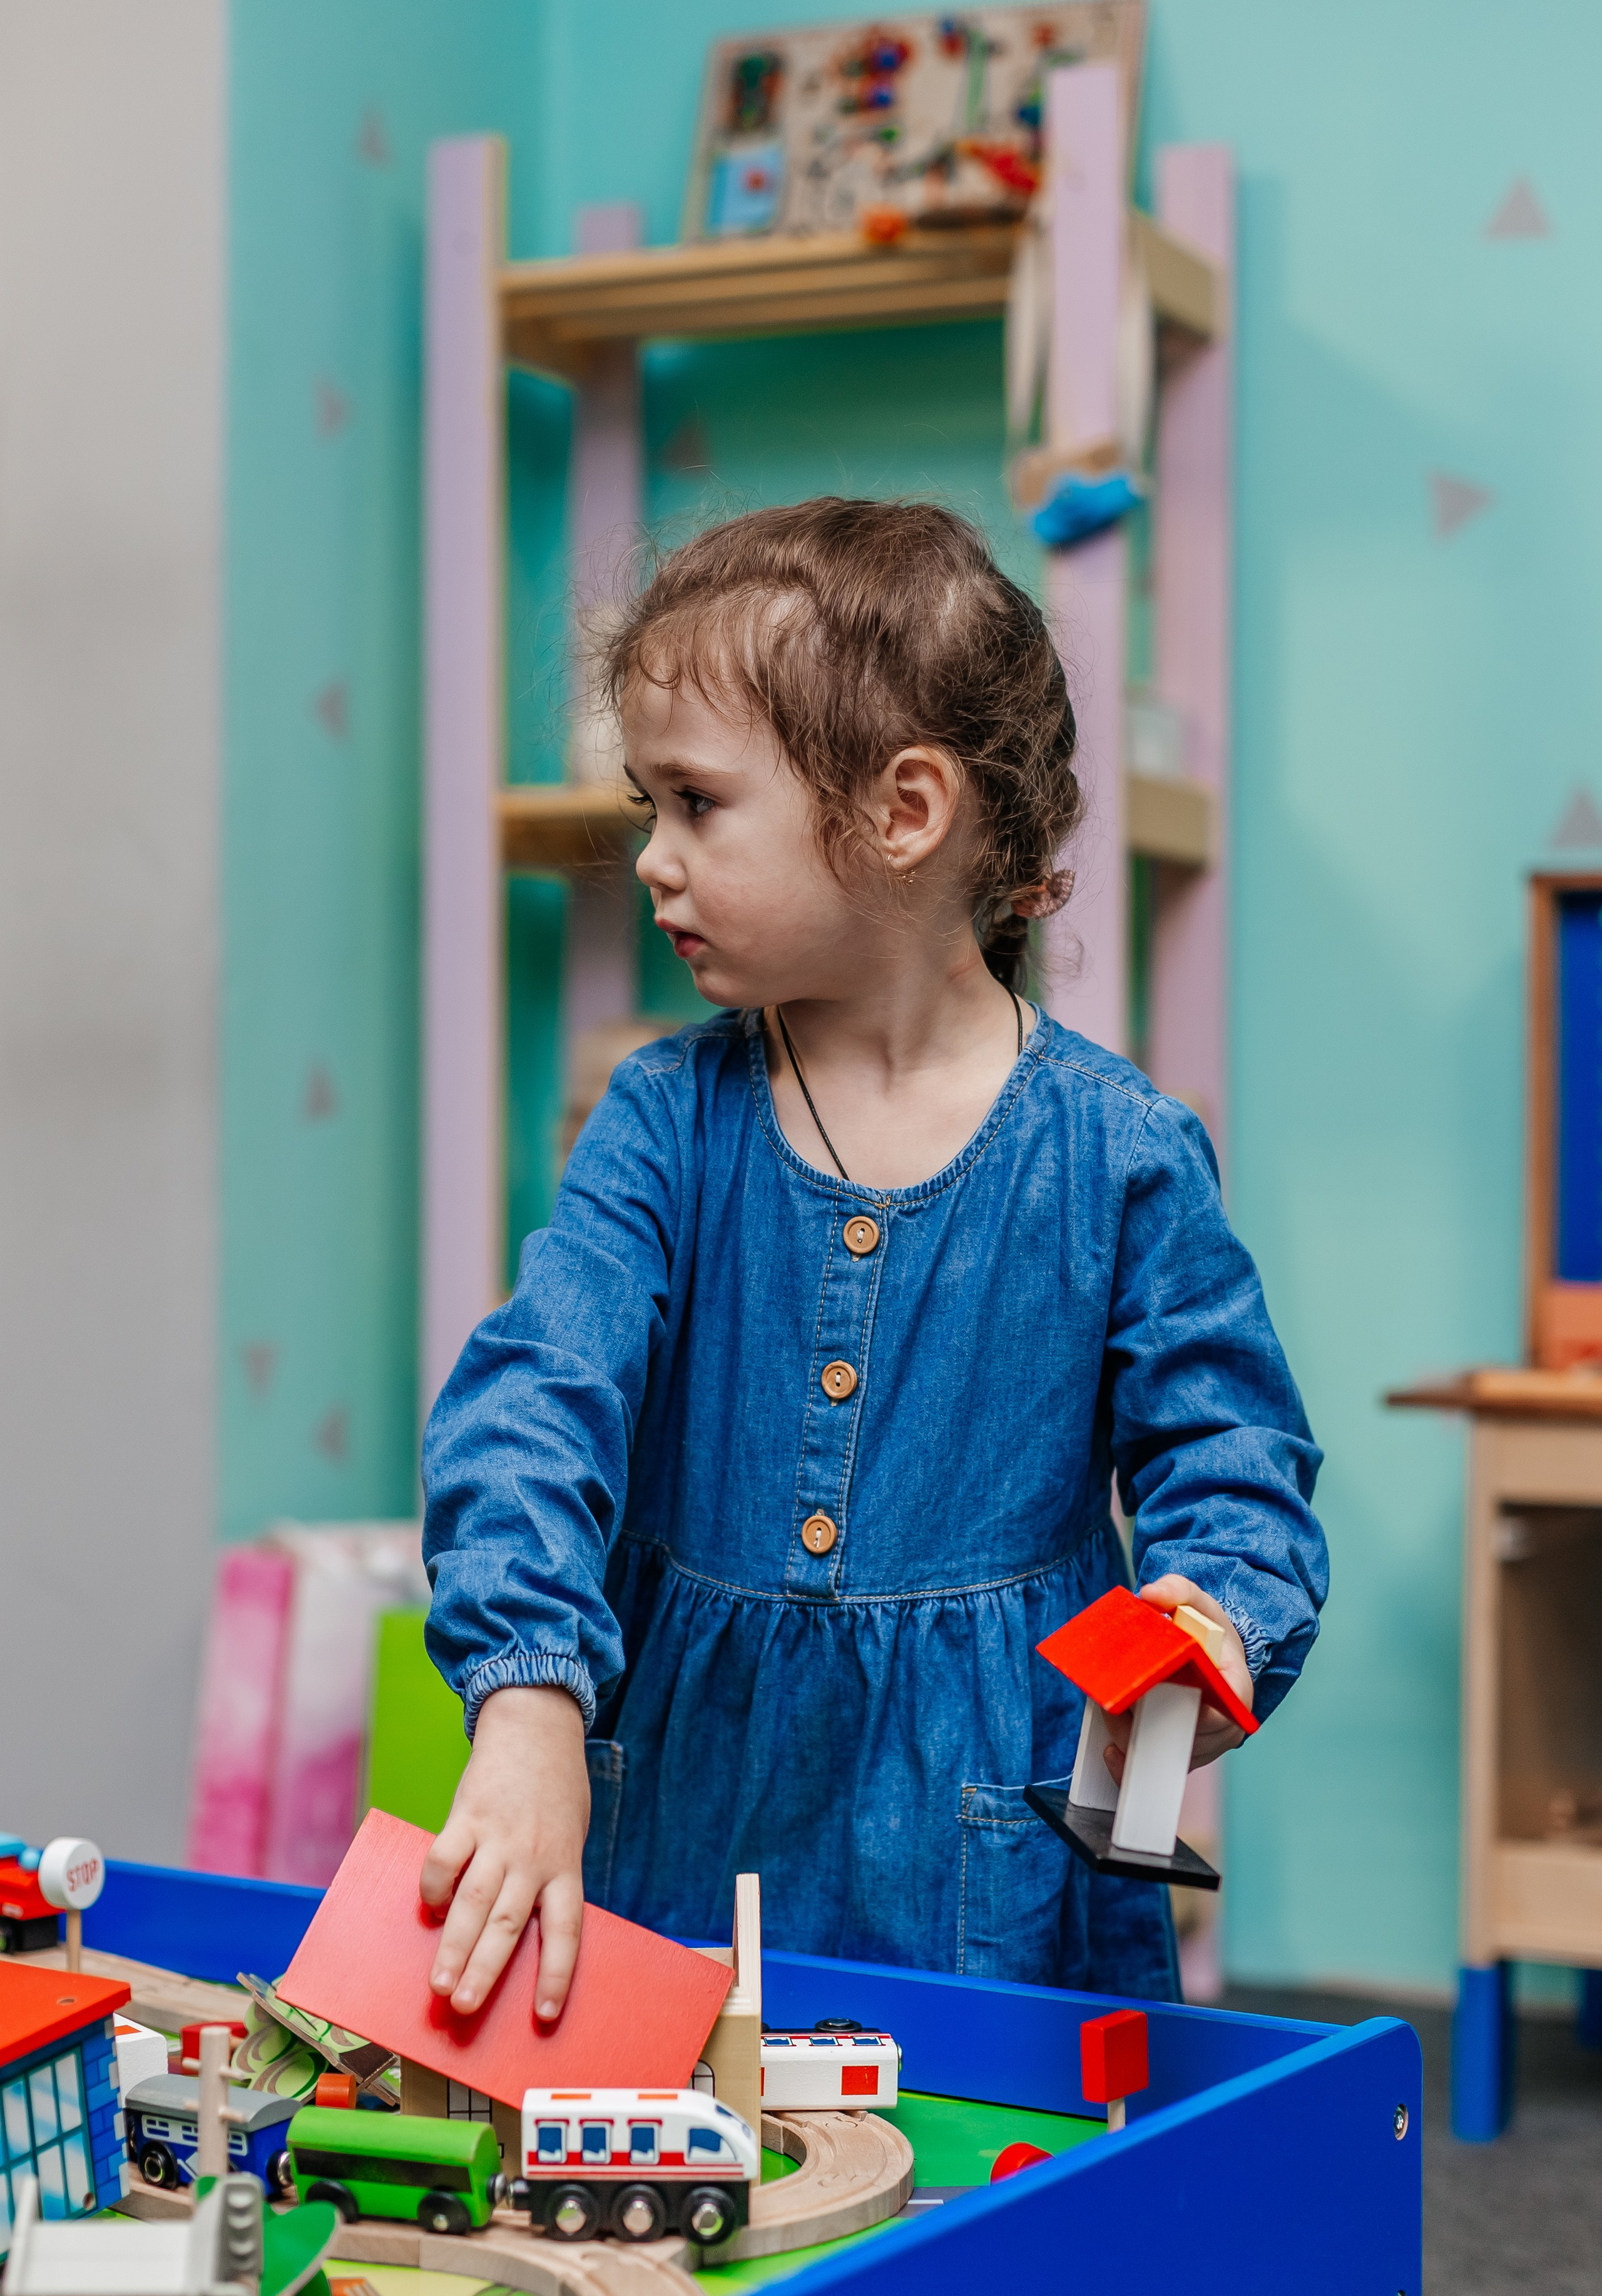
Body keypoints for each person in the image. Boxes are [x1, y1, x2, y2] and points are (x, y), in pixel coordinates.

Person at [419, 497, 1326, 2024]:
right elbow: (533, 1399)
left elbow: (1232, 1469)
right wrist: (524, 1700)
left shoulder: (1120, 1153)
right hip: (681, 1852)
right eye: (647, 804)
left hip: (993, 1891)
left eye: (696, 804)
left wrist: (1204, 1629)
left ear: (904, 810)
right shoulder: (661, 1119)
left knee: (995, 2174)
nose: (650, 858)